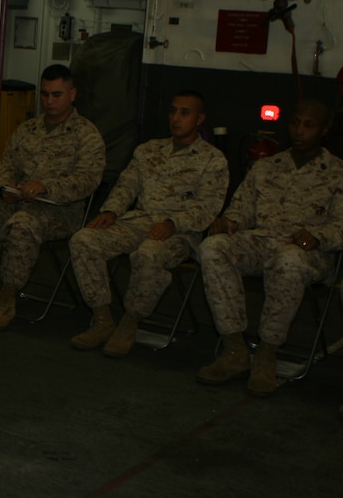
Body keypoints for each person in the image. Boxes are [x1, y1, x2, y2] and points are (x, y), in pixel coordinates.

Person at [196, 98, 343, 396]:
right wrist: (230, 223)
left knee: (289, 261)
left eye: (309, 125)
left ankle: (267, 353)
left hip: (309, 253)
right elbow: (241, 210)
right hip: (262, 242)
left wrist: (318, 236)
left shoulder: (338, 173)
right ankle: (235, 349)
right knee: (214, 247)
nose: (299, 131)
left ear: (325, 130)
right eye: (295, 123)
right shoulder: (267, 167)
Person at [67, 90, 228, 356]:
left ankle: (130, 321)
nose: (176, 118)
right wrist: (111, 211)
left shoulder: (212, 160)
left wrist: (174, 223)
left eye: (184, 113)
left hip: (181, 232)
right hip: (140, 221)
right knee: (84, 240)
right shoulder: (149, 150)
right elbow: (127, 185)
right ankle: (103, 319)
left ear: (200, 119)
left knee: (148, 254)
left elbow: (208, 207)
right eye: (173, 111)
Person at [0, 64, 105, 330]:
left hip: (59, 212)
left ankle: (6, 299)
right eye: (44, 94)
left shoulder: (86, 135)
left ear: (72, 94)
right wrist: (4, 188)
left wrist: (46, 186)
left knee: (22, 224)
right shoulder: (28, 129)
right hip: (17, 202)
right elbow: (6, 163)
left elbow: (88, 180)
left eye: (57, 95)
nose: (49, 101)